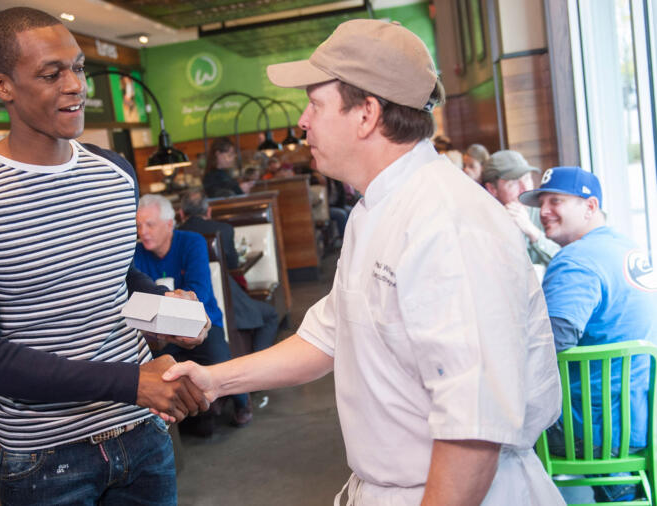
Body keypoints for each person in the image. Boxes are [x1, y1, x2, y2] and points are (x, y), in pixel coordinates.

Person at [162, 19, 564, 505]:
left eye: (315, 103)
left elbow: (472, 434)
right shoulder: (375, 209)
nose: (303, 122)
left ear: (366, 114)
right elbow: (329, 335)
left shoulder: (451, 224)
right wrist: (214, 380)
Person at [0, 8, 208, 505]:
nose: (75, 85)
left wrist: (167, 309)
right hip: (46, 458)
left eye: (79, 68)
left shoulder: (114, 173)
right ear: (2, 86)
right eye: (52, 73)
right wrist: (132, 383)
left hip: (144, 434)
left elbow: (115, 278)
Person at [520, 167, 657, 502]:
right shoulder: (631, 250)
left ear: (590, 206)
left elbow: (549, 344)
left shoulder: (577, 261)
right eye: (541, 202)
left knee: (488, 438)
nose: (544, 211)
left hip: (589, 430)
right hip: (637, 421)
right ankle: (620, 486)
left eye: (556, 201)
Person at [135, 194, 253, 430]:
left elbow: (199, 292)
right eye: (138, 226)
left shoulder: (192, 242)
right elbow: (138, 302)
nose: (143, 232)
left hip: (202, 322)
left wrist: (161, 308)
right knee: (155, 374)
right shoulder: (136, 254)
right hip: (161, 333)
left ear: (169, 224)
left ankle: (243, 402)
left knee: (220, 361)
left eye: (150, 224)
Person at [178, 189, 279, 353]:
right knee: (271, 315)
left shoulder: (177, 237)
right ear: (208, 211)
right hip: (226, 296)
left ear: (181, 214)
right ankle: (260, 363)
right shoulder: (224, 229)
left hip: (188, 300)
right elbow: (233, 267)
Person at [482, 150, 560, 270]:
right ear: (492, 189)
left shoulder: (545, 214)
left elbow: (567, 261)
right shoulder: (481, 223)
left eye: (527, 178)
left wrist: (532, 232)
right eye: (513, 183)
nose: (525, 188)